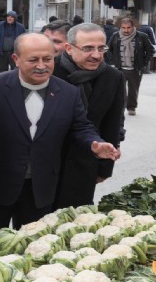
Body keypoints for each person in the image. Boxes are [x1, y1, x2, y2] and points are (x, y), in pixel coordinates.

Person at [0, 33, 119, 243]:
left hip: (40, 187)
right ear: (16, 59)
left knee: (33, 247)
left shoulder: (68, 93)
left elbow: (81, 126)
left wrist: (94, 144)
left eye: (48, 59)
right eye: (33, 60)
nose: (41, 66)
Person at [52, 23, 125, 209]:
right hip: (46, 165)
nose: (96, 55)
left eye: (101, 48)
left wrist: (105, 168)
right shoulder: (50, 72)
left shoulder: (113, 77)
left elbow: (112, 124)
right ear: (69, 48)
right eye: (88, 48)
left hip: (84, 164)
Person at [107, 17, 154, 116]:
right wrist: (113, 61)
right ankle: (120, 108)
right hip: (120, 68)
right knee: (120, 90)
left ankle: (131, 107)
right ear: (121, 27)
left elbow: (150, 50)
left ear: (133, 27)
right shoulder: (116, 36)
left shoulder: (142, 37)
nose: (126, 30)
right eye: (124, 28)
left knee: (133, 90)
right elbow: (108, 49)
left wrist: (144, 63)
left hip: (135, 69)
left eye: (128, 27)